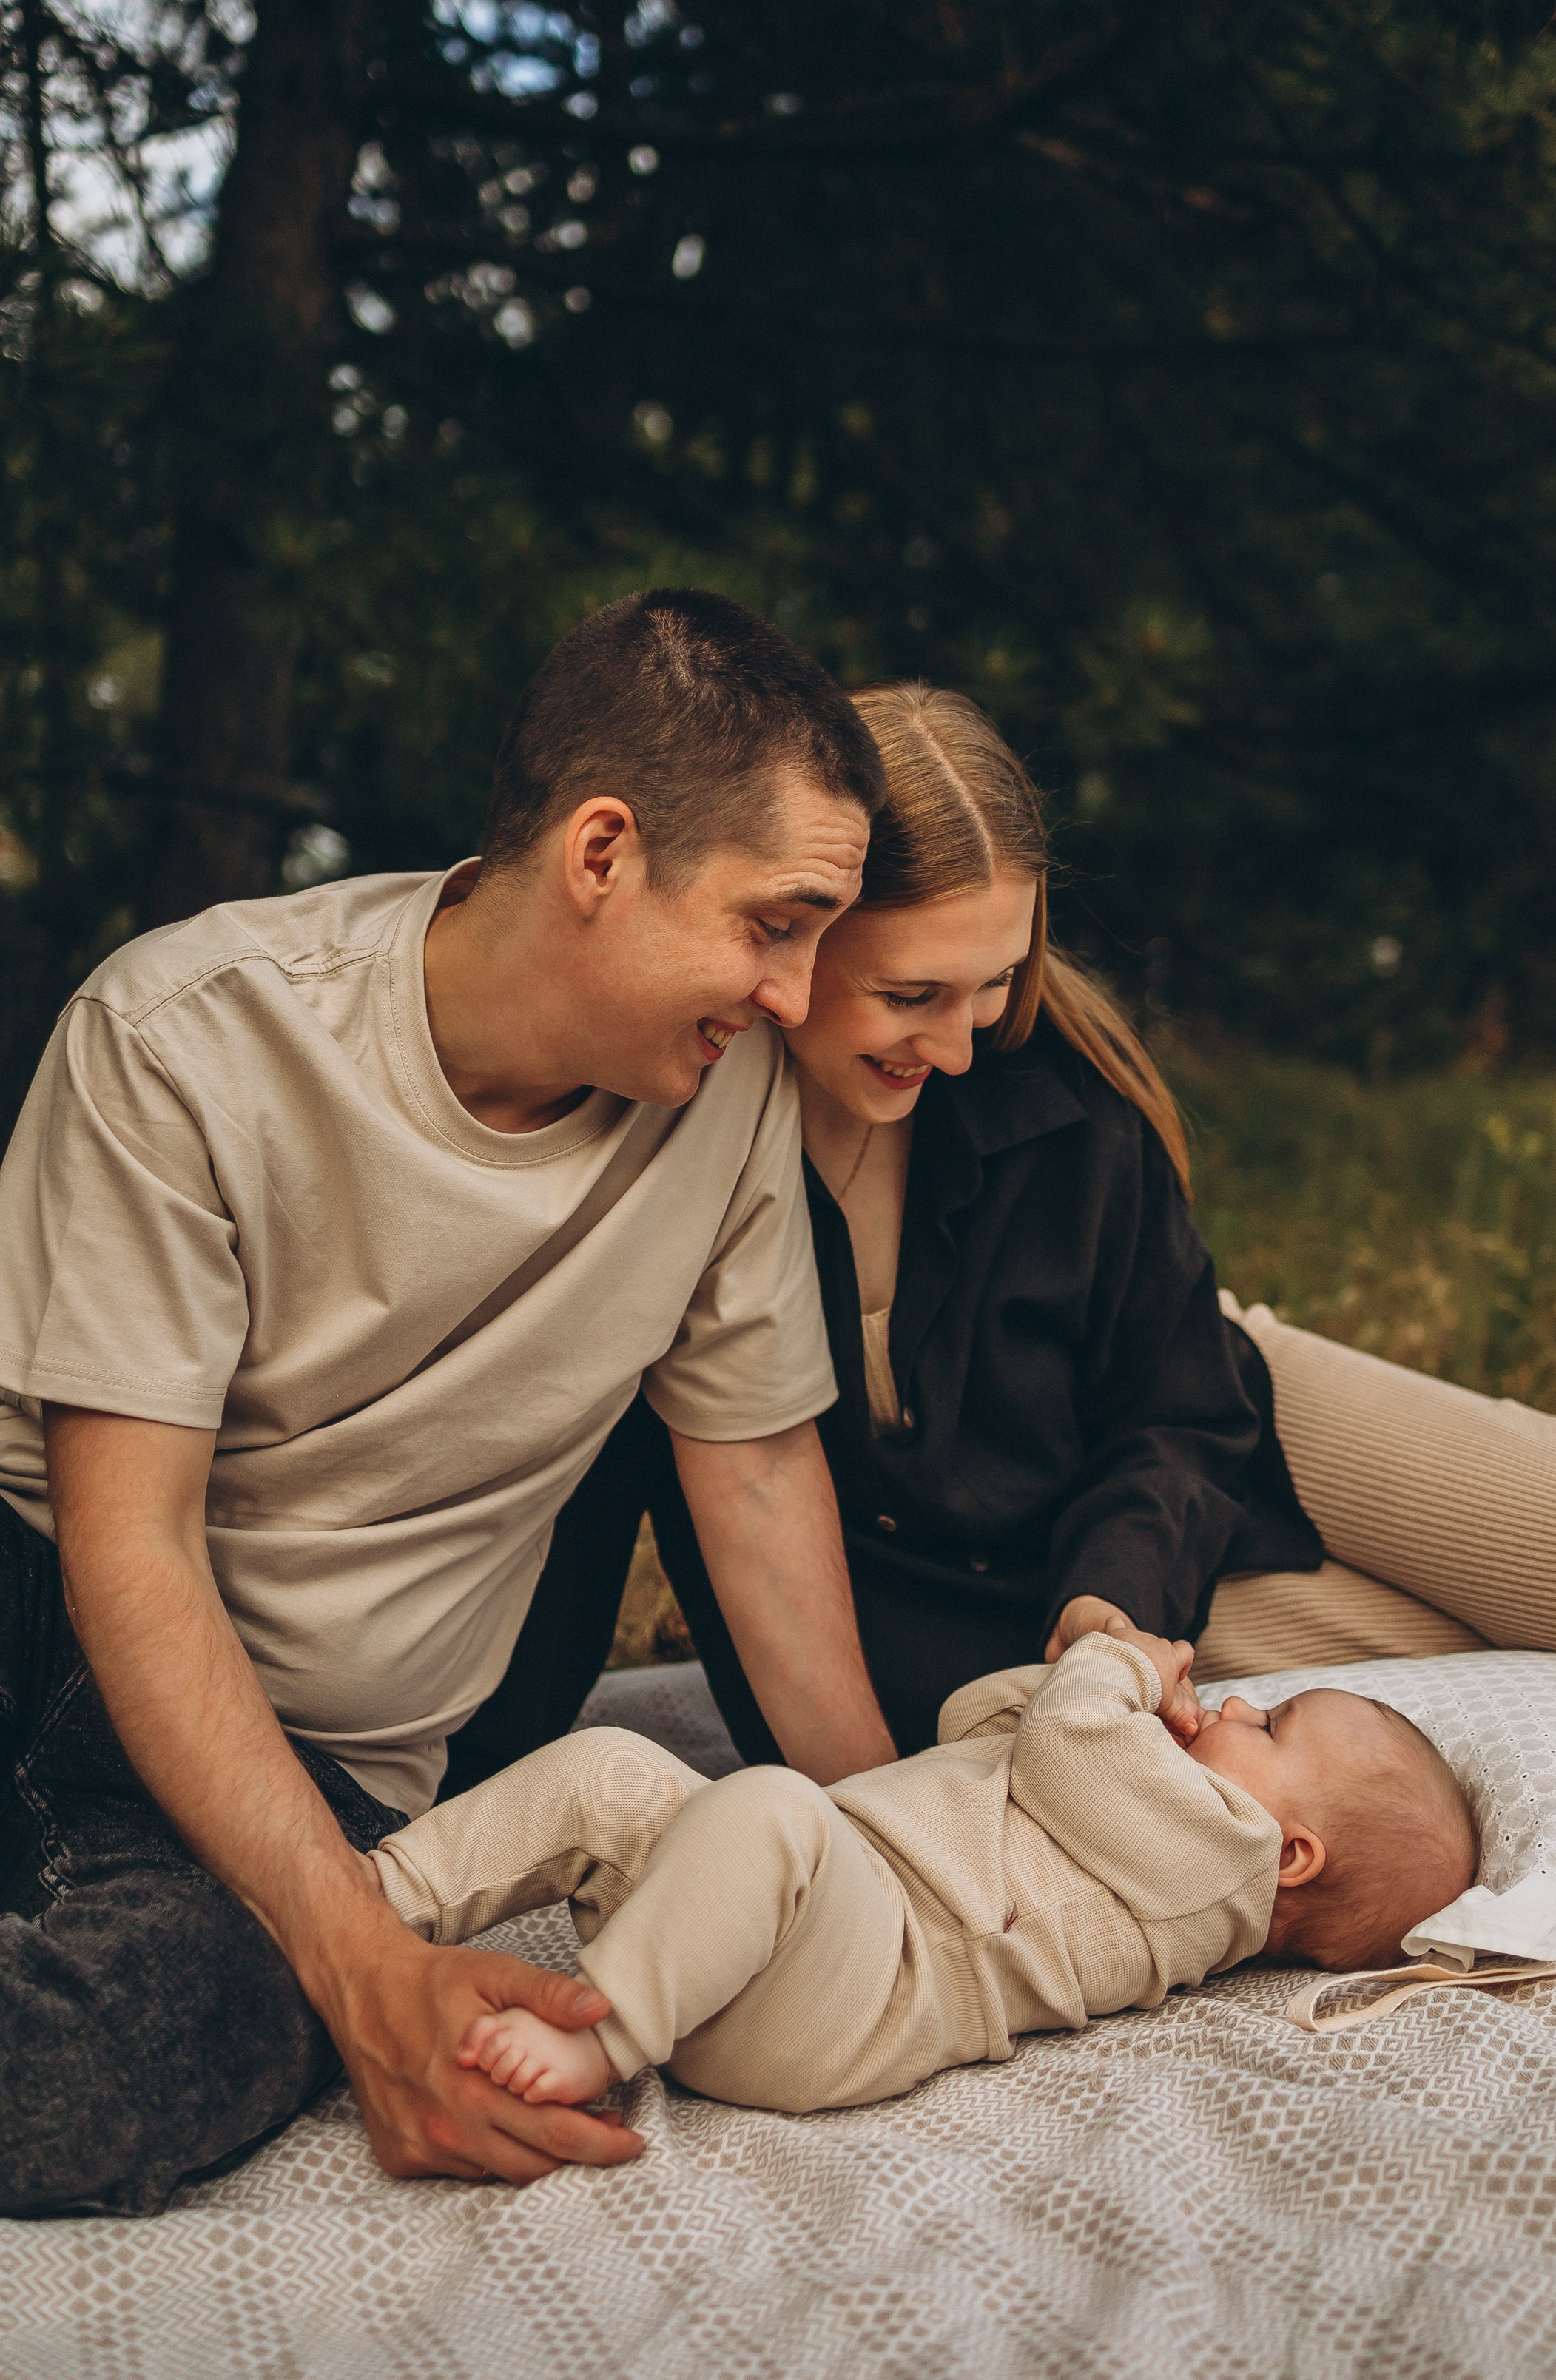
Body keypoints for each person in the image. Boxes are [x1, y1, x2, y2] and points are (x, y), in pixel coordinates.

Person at [0, 590, 904, 2218]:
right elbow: (125, 1547)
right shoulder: (186, 1037)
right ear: (604, 851)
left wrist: (898, 1864)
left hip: (310, 1762)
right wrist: (360, 1967)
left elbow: (759, 1485)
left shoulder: (730, 1108)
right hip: (42, 1603)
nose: (798, 994)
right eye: (778, 923)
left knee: (100, 2085)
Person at [455, 678, 1556, 1787]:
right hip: (994, 1621)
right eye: (910, 994)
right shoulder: (672, 1134)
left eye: (995, 983)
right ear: (793, 933)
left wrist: (1118, 1588)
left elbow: (1180, 1399)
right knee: (1528, 1662)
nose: (962, 1045)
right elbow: (590, 1484)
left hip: (1202, 1433)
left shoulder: (1053, 1088)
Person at [371, 1627, 1476, 2129]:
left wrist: (1119, 1669)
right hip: (800, 1916)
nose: (1236, 1705)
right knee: (614, 1772)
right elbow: (979, 1728)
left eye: (1270, 1724)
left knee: (772, 1806)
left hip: (859, 1993)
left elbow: (1066, 1745)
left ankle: (595, 2038)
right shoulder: (1145, 1801)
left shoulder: (1216, 1872)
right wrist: (1065, 1672)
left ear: (1293, 1856)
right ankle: (379, 1894)